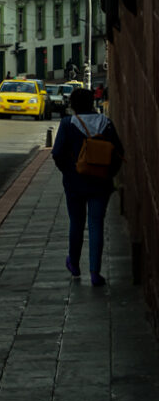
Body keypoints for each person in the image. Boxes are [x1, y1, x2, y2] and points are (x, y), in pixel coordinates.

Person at [52, 87, 123, 286]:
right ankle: (95, 272)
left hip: (75, 184)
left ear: (73, 105)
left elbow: (57, 153)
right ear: (92, 102)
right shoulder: (106, 124)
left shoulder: (68, 124)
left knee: (76, 223)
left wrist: (68, 171)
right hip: (100, 183)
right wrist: (108, 174)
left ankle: (74, 263)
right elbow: (119, 153)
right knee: (96, 224)